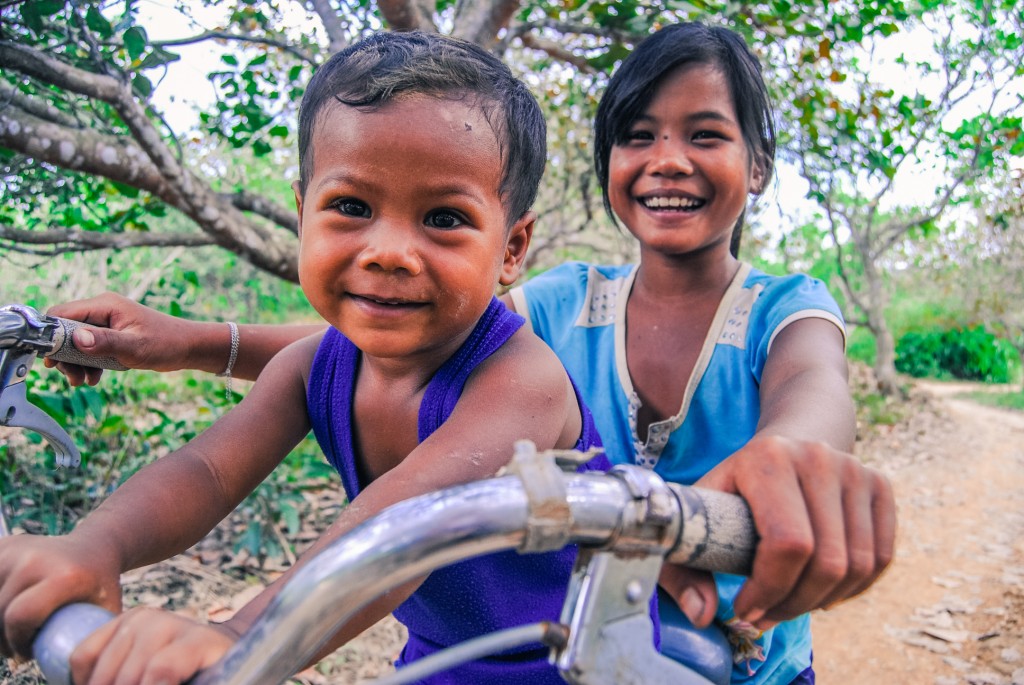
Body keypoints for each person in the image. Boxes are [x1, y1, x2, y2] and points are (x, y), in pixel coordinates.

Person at [45, 22, 896, 685]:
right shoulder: (567, 299)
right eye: (638, 133)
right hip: (462, 654)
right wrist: (180, 354)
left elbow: (813, 386)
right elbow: (364, 350)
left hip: (697, 649)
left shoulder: (782, 307)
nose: (666, 157)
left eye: (705, 134)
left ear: (758, 163)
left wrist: (797, 453)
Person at [0, 30, 624, 685]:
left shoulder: (522, 381)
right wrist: (93, 546)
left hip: (586, 666)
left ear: (512, 248)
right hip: (440, 660)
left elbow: (406, 519)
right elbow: (208, 469)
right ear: (304, 214)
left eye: (443, 218)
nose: (389, 250)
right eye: (351, 206)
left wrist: (242, 638)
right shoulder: (313, 368)